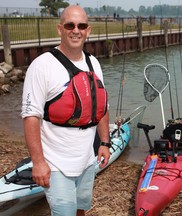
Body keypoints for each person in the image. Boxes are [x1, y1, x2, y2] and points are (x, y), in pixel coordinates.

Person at [21, 5, 110, 216]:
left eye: (81, 26)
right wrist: (39, 163)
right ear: (60, 29)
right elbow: (30, 117)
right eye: (70, 25)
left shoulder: (94, 63)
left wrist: (105, 143)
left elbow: (101, 106)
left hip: (87, 159)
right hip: (55, 164)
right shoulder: (42, 66)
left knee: (81, 209)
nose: (75, 30)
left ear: (88, 30)